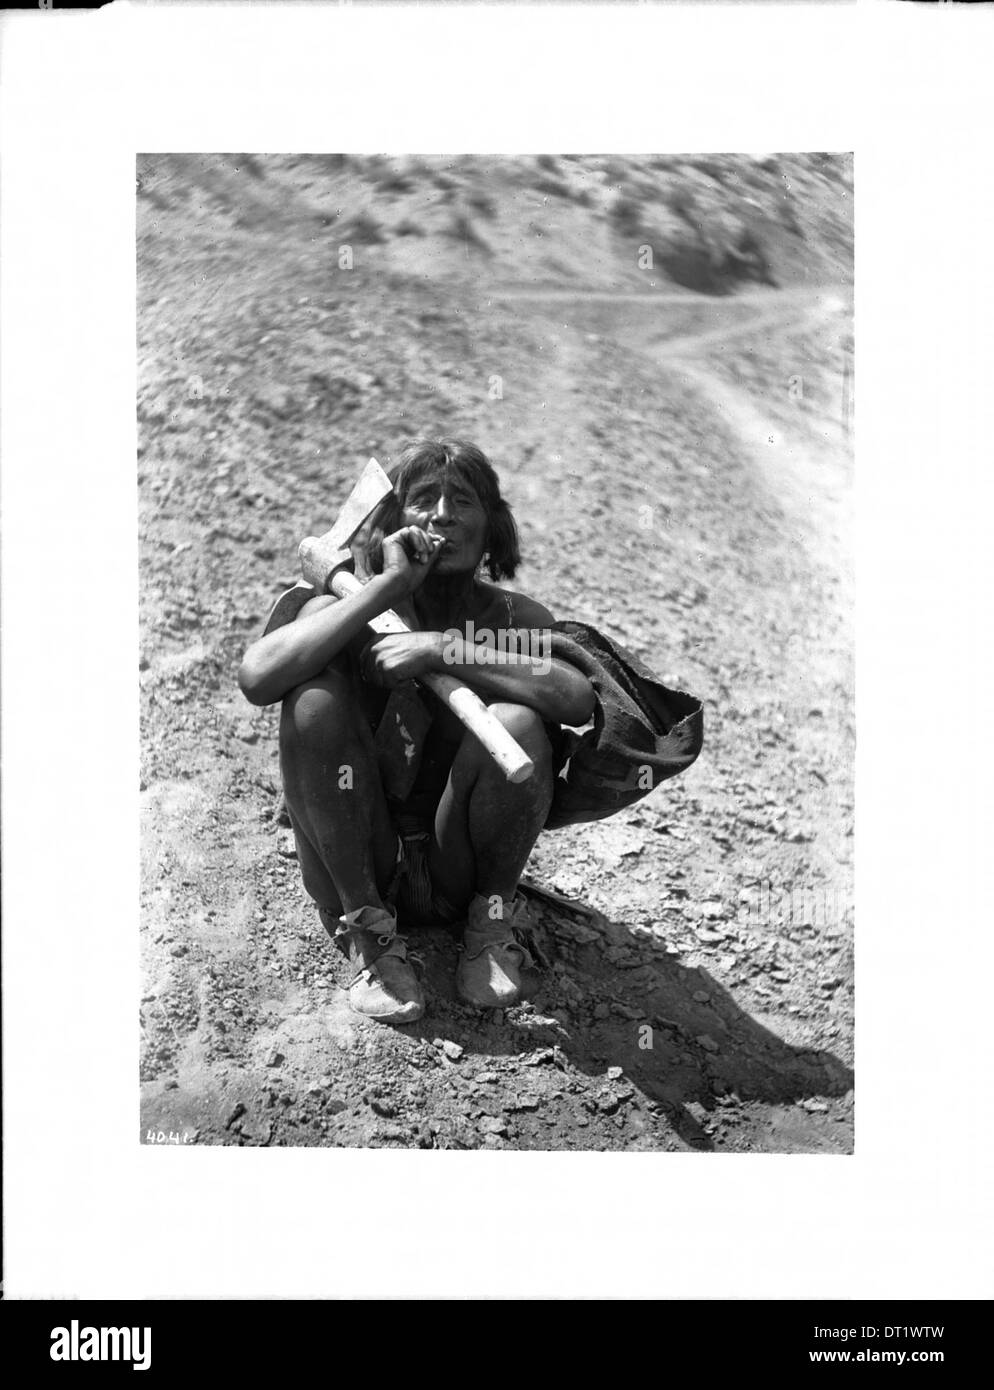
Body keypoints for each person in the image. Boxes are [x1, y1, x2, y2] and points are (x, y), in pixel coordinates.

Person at [238, 439, 596, 1025]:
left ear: (491, 529)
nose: (442, 516)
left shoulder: (514, 620)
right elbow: (258, 677)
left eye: (463, 501)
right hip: (356, 863)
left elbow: (575, 696)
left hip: (455, 868)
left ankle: (489, 927)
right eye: (422, 500)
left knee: (521, 723)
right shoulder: (345, 605)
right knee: (313, 703)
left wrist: (440, 647)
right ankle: (372, 939)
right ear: (388, 526)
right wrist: (384, 590)